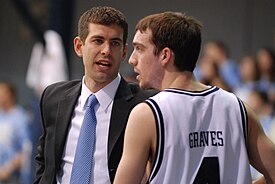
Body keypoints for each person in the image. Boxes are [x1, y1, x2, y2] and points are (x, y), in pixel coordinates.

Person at [114, 11, 275, 183]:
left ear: (165, 55)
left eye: (139, 48)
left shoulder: (146, 114)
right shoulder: (238, 107)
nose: (132, 59)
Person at [34, 6, 157, 184]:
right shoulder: (53, 96)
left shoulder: (145, 103)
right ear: (78, 46)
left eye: (115, 43)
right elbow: (44, 162)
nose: (106, 50)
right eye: (98, 40)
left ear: (124, 52)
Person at [0, 81, 31, 184]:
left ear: (10, 94)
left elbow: (26, 149)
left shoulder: (20, 118)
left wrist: (8, 169)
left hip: (12, 177)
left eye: (2, 92)